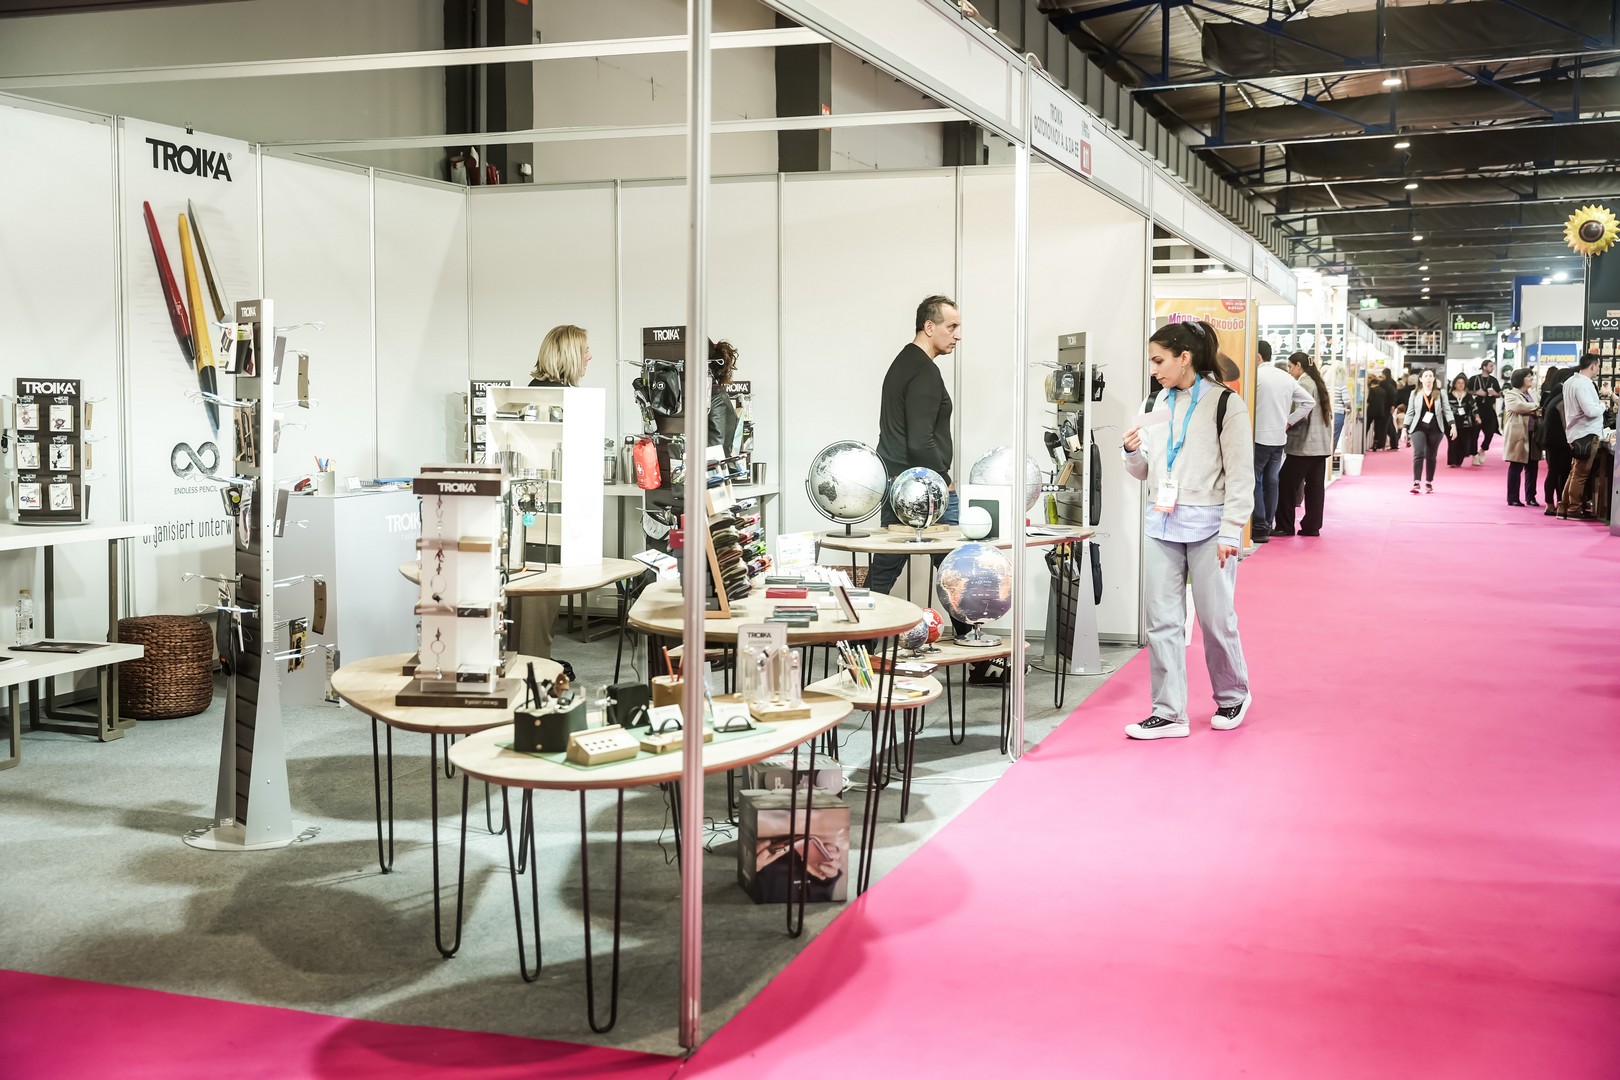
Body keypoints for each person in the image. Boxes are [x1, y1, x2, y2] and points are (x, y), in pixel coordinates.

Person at [1121, 319, 1254, 740]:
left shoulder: (1225, 403)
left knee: (1216, 620)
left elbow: (1241, 475)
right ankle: (1168, 712)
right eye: (1151, 361)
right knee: (1162, 622)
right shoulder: (1155, 402)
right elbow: (1144, 470)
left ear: (1184, 357)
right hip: (1161, 522)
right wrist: (1131, 453)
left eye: (1159, 360)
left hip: (1211, 527)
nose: (1153, 369)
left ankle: (1233, 694)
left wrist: (1232, 530)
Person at [870, 296, 976, 646]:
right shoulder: (925, 371)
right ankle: (973, 644)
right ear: (929, 327)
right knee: (955, 568)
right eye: (951, 326)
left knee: (887, 570)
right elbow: (920, 440)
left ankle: (860, 644)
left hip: (898, 482)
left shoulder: (904, 362)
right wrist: (944, 479)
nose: (958, 335)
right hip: (921, 489)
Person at [517, 324, 593, 659]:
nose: (590, 357)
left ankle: (526, 666)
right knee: (538, 610)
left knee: (526, 612)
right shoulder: (559, 401)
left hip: (535, 521)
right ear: (570, 355)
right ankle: (534, 672)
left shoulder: (532, 396)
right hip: (547, 525)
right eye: (585, 350)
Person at [1249, 343, 1314, 543]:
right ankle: (1267, 524)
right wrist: (1288, 421)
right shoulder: (1285, 377)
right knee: (1271, 481)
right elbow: (1309, 402)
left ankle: (1259, 526)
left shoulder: (1255, 376)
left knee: (1255, 481)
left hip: (1259, 436)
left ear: (1258, 357)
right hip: (1279, 438)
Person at [1274, 352, 1332, 537]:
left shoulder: (1304, 383)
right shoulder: (1318, 382)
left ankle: (1284, 525)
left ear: (1299, 365)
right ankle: (1311, 526)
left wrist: (1286, 423)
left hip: (1305, 445)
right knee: (1315, 488)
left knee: (1285, 483)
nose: (1289, 371)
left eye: (1290, 367)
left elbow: (1303, 411)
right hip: (1320, 445)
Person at [1557, 352, 1605, 519]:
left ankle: (1563, 507)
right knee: (1580, 475)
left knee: (1575, 473)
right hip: (1586, 433)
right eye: (1598, 366)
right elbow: (1590, 411)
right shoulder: (1584, 384)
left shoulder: (1570, 381)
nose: (1598, 370)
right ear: (1592, 366)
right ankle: (1574, 509)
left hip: (1576, 432)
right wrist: (1602, 406)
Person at [1404, 369, 1457, 494]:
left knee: (1431, 456)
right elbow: (1410, 412)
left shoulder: (1440, 393)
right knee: (1418, 453)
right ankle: (1416, 482)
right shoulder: (1415, 393)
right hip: (1418, 427)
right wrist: (1405, 428)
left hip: (1435, 428)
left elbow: (1447, 410)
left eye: (1430, 376)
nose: (1428, 378)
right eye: (1426, 376)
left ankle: (1428, 482)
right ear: (1421, 379)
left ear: (1433, 379)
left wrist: (1452, 425)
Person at [1502, 367, 1541, 506]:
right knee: (1516, 465)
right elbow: (1519, 407)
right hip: (1518, 435)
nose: (1531, 378)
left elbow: (1536, 408)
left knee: (1533, 466)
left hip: (1533, 434)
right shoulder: (1511, 394)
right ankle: (1513, 498)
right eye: (1528, 376)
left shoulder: (1533, 393)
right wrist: (1535, 407)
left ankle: (1531, 497)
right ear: (1520, 379)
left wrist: (1532, 408)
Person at [1540, 368, 1570, 515]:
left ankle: (1555, 503)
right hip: (1558, 442)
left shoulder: (1553, 399)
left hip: (1552, 441)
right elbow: (1566, 424)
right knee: (1558, 473)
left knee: (1555, 472)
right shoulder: (1562, 401)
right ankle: (1553, 504)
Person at [1468, 359, 1502, 464]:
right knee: (1474, 433)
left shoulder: (1493, 380)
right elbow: (1466, 390)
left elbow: (1499, 394)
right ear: (1484, 367)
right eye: (1491, 366)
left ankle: (1483, 449)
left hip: (1489, 408)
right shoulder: (1474, 379)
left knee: (1491, 431)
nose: (1493, 368)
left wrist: (1495, 393)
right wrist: (1475, 392)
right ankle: (1474, 454)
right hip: (1476, 408)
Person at [1445, 373, 1479, 468]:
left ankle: (1459, 460)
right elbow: (1445, 408)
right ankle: (1452, 461)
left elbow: (1474, 407)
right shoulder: (1448, 396)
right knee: (1452, 442)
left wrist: (1477, 416)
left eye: (1462, 383)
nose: (1460, 385)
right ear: (1454, 384)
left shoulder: (1468, 396)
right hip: (1452, 422)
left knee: (1464, 442)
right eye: (1458, 383)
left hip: (1465, 422)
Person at [1365, 371, 1394, 451]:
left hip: (1371, 411)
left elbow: (1369, 400)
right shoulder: (1383, 391)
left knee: (1366, 427)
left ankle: (1363, 443)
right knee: (1377, 429)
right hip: (1380, 412)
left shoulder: (1372, 390)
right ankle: (1376, 445)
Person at [1329, 362, 1351, 452]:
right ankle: (1331, 454)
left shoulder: (1326, 383)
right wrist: (1349, 408)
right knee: (1335, 436)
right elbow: (1346, 401)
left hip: (1326, 413)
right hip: (1338, 413)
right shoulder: (1342, 384)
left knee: (1326, 436)